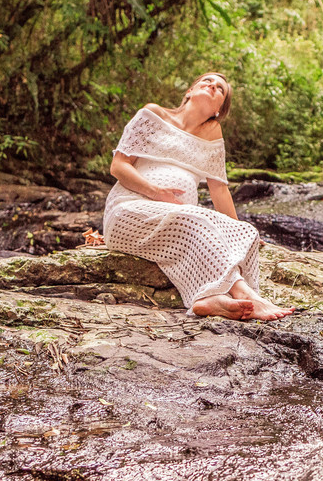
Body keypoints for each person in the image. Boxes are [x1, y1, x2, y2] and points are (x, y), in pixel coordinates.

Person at [104, 72, 294, 321]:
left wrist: (234, 228)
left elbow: (219, 189)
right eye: (207, 82)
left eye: (220, 89)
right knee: (199, 218)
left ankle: (213, 299)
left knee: (245, 232)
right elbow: (118, 166)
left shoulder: (213, 133)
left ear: (219, 109)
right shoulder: (153, 114)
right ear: (189, 91)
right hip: (128, 212)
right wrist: (156, 192)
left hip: (176, 220)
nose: (212, 86)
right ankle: (246, 294)